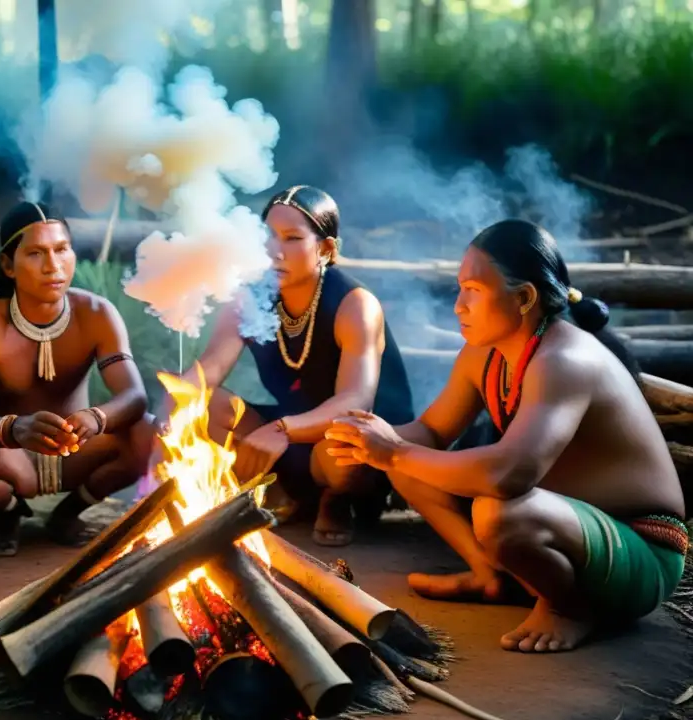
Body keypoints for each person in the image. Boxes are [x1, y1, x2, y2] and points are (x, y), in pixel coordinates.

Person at [325, 219, 688, 653]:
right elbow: (432, 432)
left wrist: (395, 452)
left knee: (499, 512)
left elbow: (509, 476)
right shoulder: (484, 354)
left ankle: (568, 608)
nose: (458, 306)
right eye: (459, 289)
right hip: (567, 528)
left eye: (473, 290)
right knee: (412, 466)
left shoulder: (564, 359)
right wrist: (367, 439)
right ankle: (490, 575)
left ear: (524, 298)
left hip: (643, 550)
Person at [152, 185, 415, 546]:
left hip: (355, 448)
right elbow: (207, 371)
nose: (274, 250)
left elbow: (356, 403)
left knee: (345, 440)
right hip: (288, 435)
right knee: (206, 404)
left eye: (292, 239)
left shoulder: (355, 305)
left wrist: (281, 429)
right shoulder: (251, 297)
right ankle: (290, 496)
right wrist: (169, 413)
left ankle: (336, 499)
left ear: (325, 249)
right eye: (267, 237)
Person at [0, 201, 155, 554]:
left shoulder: (97, 313)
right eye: (36, 254)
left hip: (77, 449)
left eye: (61, 250)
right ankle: (10, 512)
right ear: (8, 265)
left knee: (148, 433)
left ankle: (67, 513)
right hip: (10, 456)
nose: (53, 266)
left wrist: (96, 418)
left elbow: (134, 396)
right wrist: (15, 429)